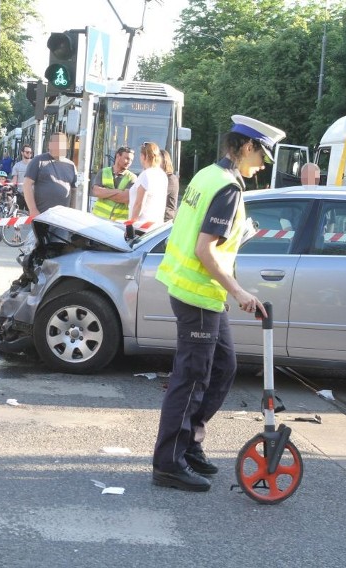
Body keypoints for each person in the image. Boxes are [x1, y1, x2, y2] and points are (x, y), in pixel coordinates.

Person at [152, 115, 285, 492]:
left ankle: (190, 443)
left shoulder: (208, 175)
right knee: (191, 380)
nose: (261, 169)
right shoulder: (227, 188)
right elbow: (204, 248)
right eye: (262, 158)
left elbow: (201, 238)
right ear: (246, 147)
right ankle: (168, 462)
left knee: (224, 366)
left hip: (198, 291)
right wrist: (239, 292)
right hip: (198, 294)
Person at [23, 132, 77, 218]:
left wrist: (73, 211)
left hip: (64, 217)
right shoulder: (38, 161)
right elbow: (27, 185)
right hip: (42, 215)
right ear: (49, 145)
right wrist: (33, 209)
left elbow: (74, 191)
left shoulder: (71, 165)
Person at [90, 146, 136, 221]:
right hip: (98, 219)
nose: (129, 162)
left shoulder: (132, 178)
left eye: (131, 160)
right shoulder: (103, 171)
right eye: (127, 158)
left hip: (118, 223)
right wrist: (118, 192)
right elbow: (96, 192)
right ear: (118, 156)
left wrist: (104, 193)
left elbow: (125, 198)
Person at [128, 141, 168, 224]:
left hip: (141, 225)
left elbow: (139, 204)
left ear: (143, 156)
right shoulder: (162, 174)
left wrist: (130, 224)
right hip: (156, 224)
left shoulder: (145, 175)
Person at [161, 149, 179, 222]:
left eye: (157, 161)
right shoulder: (158, 176)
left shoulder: (171, 179)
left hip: (166, 220)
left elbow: (155, 195)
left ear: (165, 162)